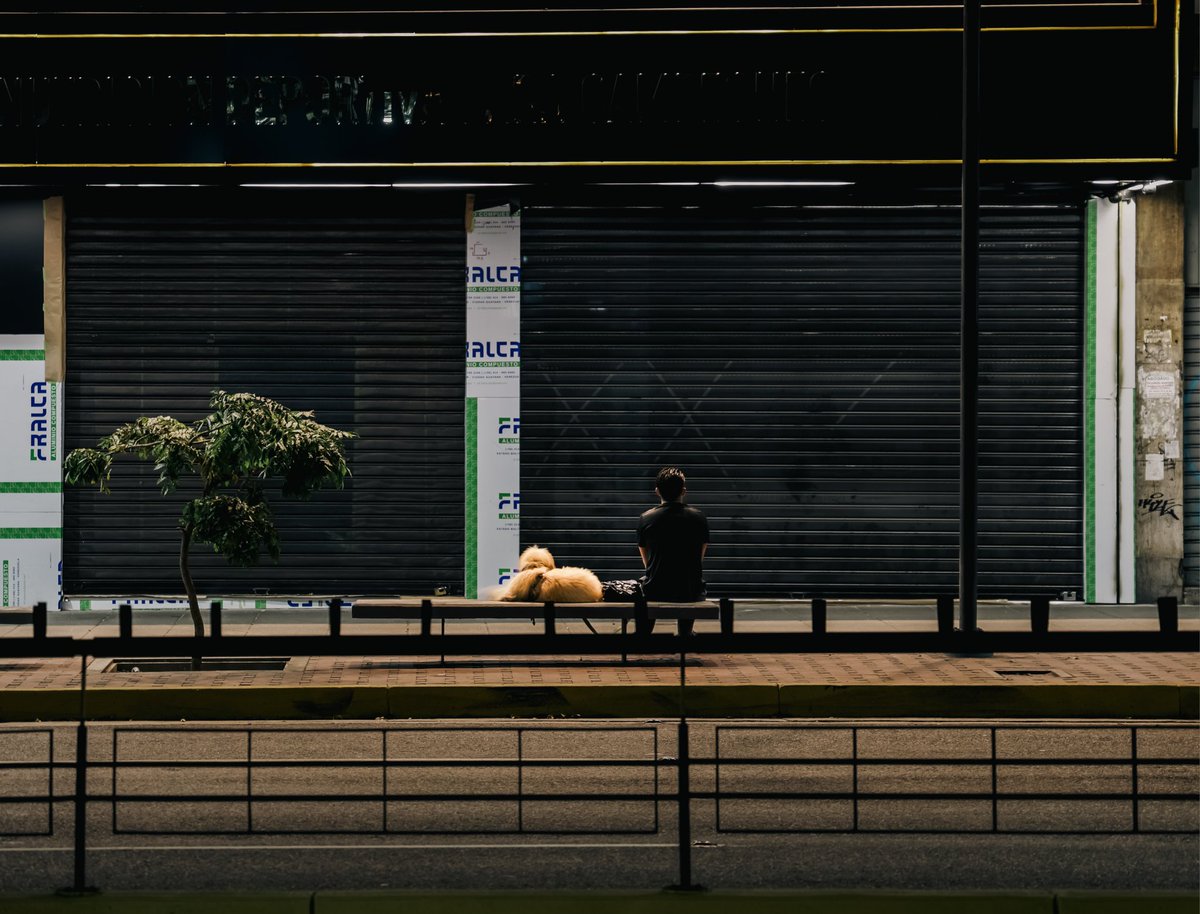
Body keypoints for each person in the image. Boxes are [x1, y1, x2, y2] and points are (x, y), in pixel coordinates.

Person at [637, 466, 709, 601]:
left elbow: (647, 564)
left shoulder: (646, 518)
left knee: (647, 593)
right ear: (684, 491)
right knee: (691, 590)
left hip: (656, 590)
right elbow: (698, 559)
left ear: (657, 491)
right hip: (690, 591)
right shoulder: (699, 517)